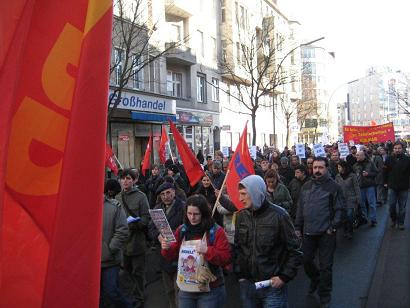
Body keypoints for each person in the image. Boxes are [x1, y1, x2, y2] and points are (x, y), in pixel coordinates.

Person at [234, 175, 302, 307]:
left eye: (243, 194)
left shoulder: (280, 216)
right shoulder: (241, 216)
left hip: (272, 286)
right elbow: (238, 247)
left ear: (255, 193)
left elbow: (295, 251)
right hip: (248, 285)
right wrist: (240, 273)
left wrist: (284, 277)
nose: (240, 198)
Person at [161, 195, 231, 308]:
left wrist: (207, 250)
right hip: (186, 287)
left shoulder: (216, 231)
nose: (192, 218)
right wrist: (166, 248)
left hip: (210, 289)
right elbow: (171, 255)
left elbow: (226, 258)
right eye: (189, 213)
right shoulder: (182, 230)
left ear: (203, 213)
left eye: (196, 214)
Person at [295, 157, 345, 308]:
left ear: (327, 168)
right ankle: (315, 279)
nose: (317, 170)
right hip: (309, 232)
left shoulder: (334, 187)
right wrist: (298, 227)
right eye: (315, 167)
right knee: (306, 260)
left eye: (320, 167)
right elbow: (300, 207)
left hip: (326, 234)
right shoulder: (306, 186)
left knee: (326, 267)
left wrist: (333, 226)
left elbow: (340, 209)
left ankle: (325, 295)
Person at [148, 182, 185, 308]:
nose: (165, 196)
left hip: (179, 254)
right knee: (168, 289)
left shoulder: (183, 207)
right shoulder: (157, 209)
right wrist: (158, 236)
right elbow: (151, 227)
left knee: (179, 289)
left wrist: (176, 236)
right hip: (164, 255)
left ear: (174, 192)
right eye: (162, 194)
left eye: (168, 192)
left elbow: (188, 228)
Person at [117, 169, 150, 308]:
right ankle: (130, 294)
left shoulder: (141, 197)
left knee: (138, 271)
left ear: (134, 180)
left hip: (137, 241)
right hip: (123, 243)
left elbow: (146, 218)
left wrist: (135, 224)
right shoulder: (118, 197)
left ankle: (139, 298)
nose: (125, 181)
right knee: (126, 272)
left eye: (128, 178)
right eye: (123, 178)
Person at [101, 186, 131, 308]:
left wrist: (109, 250)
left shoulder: (113, 207)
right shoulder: (80, 208)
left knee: (111, 290)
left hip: (110, 261)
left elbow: (122, 230)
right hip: (89, 262)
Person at [383, 141, 410, 230]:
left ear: (402, 149)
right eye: (395, 148)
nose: (397, 150)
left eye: (399, 148)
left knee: (402, 207)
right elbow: (385, 172)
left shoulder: (407, 159)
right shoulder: (388, 159)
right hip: (392, 186)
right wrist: (385, 182)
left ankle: (401, 223)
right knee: (391, 205)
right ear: (393, 149)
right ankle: (394, 219)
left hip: (404, 187)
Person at [335, 161, 361, 239]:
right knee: (343, 216)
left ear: (344, 167)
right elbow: (336, 188)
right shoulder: (337, 176)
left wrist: (358, 199)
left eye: (339, 167)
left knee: (350, 215)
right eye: (338, 167)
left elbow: (356, 187)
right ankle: (345, 229)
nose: (338, 169)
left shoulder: (352, 176)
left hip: (351, 199)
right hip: (341, 200)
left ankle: (350, 230)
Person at [353, 151, 378, 226]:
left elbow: (376, 172)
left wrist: (369, 174)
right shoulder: (355, 165)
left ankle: (373, 219)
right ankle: (365, 218)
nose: (356, 157)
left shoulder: (370, 163)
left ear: (363, 156)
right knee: (362, 203)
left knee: (371, 203)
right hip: (360, 187)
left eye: (358, 155)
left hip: (369, 186)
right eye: (356, 155)